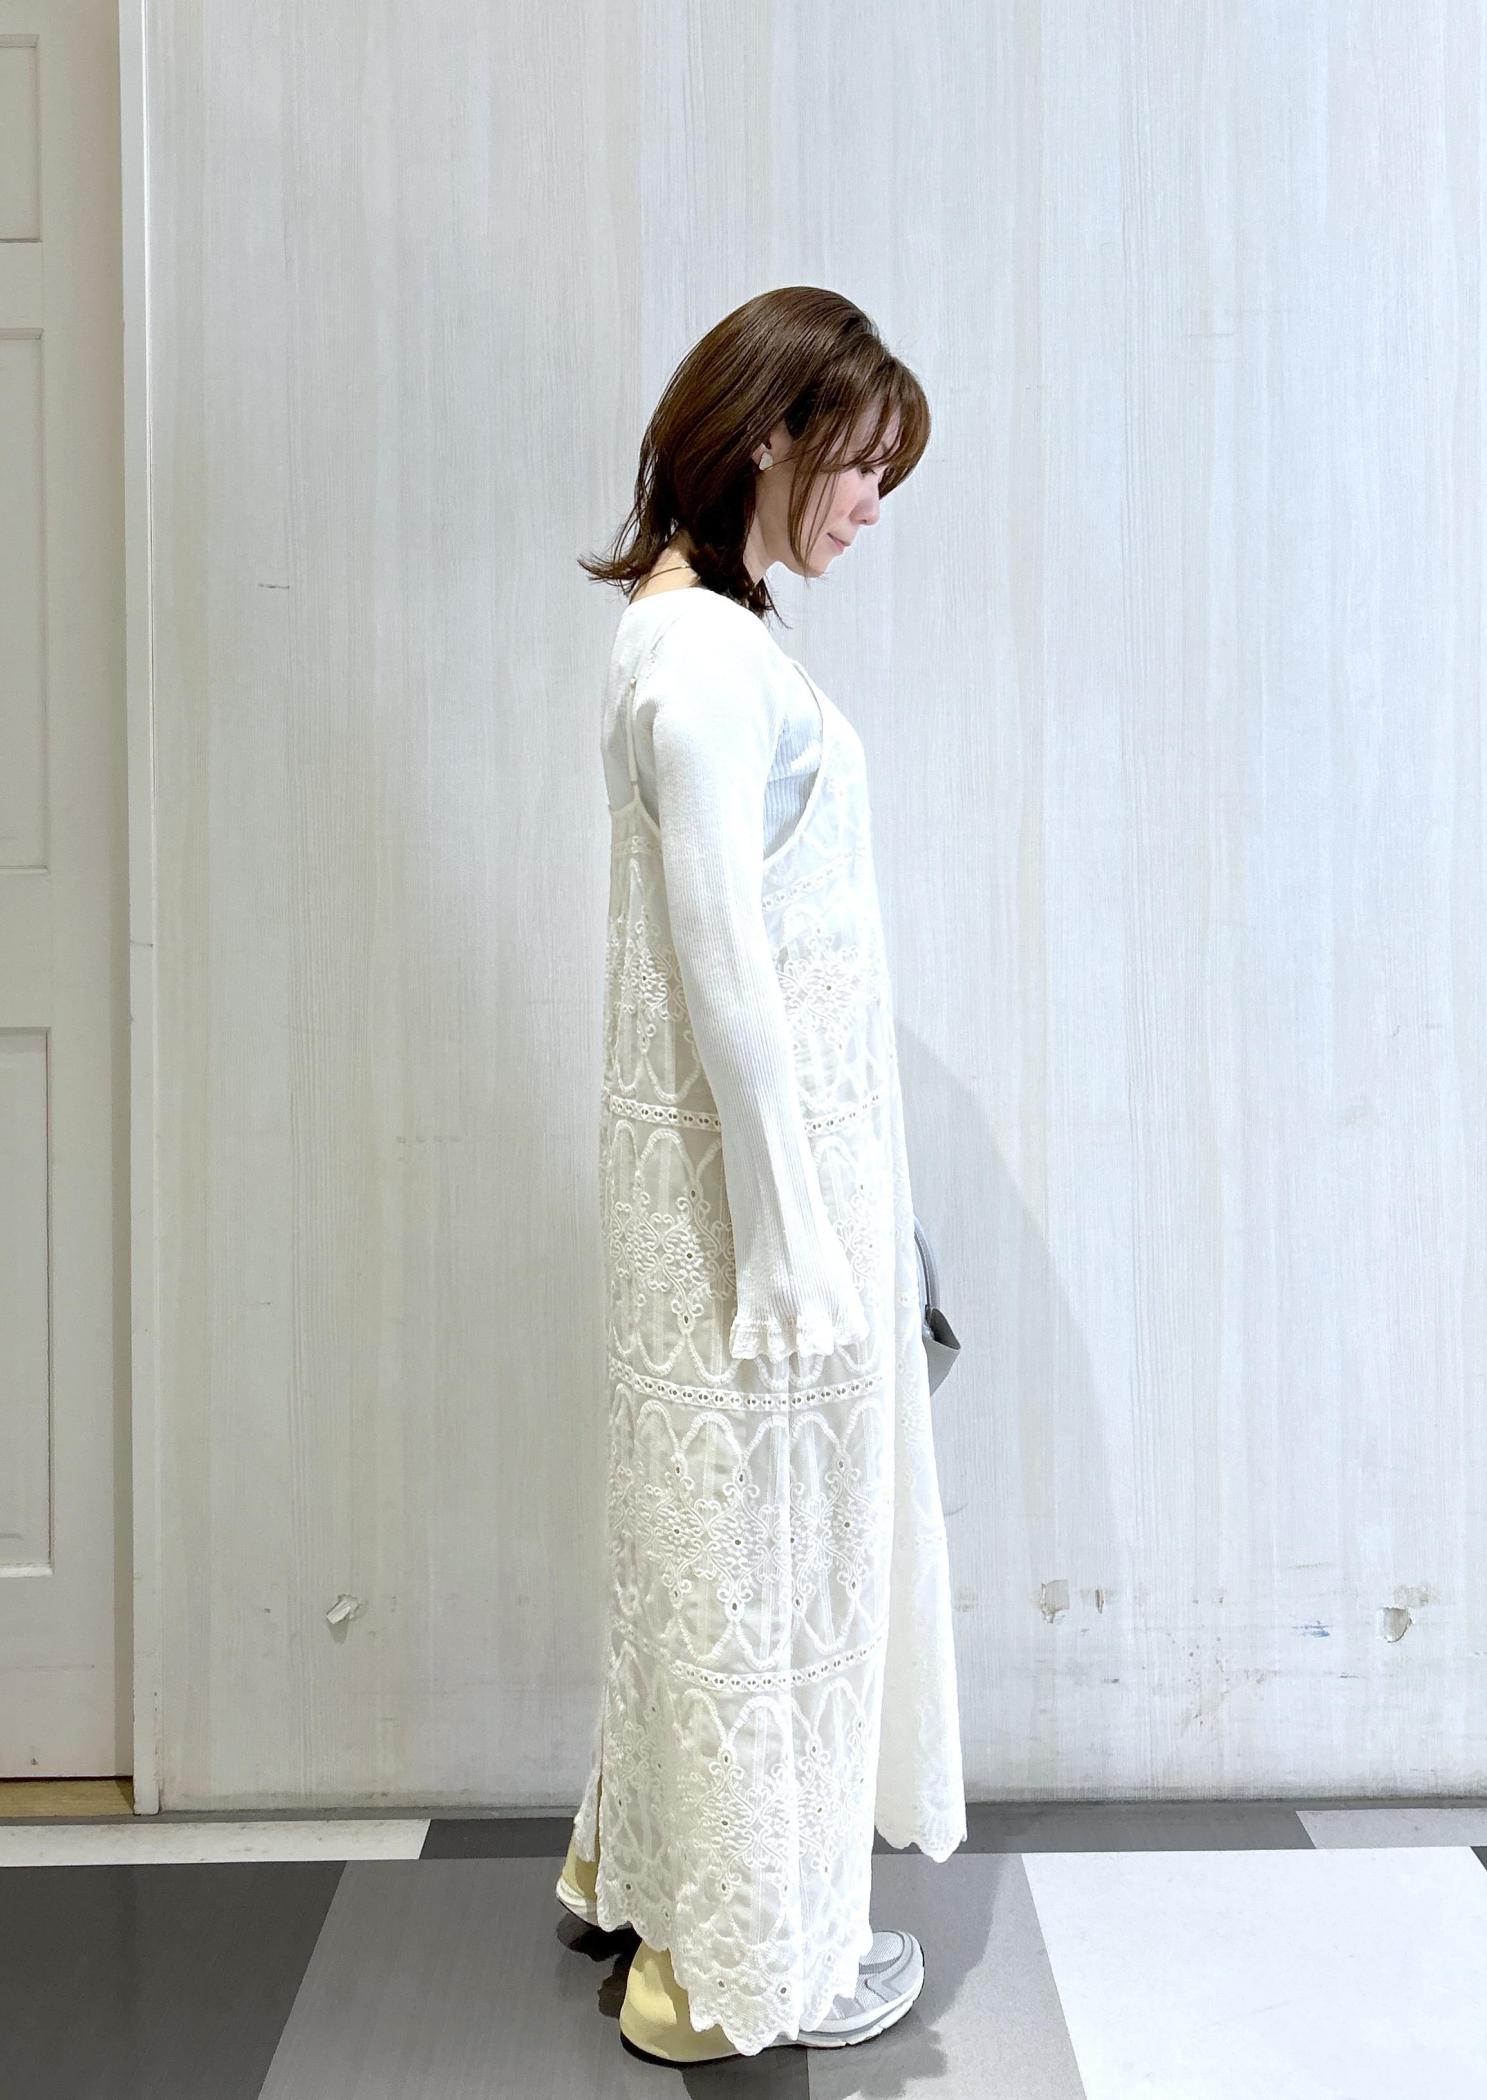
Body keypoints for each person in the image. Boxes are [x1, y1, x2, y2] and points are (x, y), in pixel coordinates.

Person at [557, 286, 967, 2062]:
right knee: (768, 1564)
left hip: (747, 1197)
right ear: (772, 433)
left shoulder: (689, 632)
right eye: (859, 463)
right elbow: (722, 962)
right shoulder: (710, 663)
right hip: (758, 1218)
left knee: (711, 1548)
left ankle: (643, 1877)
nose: (871, 505)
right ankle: (727, 1977)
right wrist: (799, 1239)